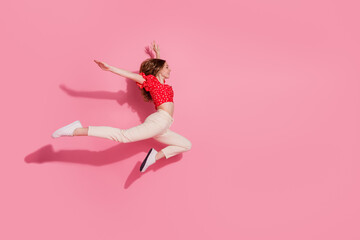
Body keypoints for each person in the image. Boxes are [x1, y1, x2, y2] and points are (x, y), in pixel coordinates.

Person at [51, 41, 192, 172]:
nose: (170, 69)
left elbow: (159, 69)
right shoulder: (151, 83)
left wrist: (157, 55)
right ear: (159, 69)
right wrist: (109, 68)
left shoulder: (162, 84)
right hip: (159, 121)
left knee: (186, 145)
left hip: (164, 127)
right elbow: (131, 75)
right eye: (167, 67)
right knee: (123, 136)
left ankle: (154, 156)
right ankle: (76, 130)